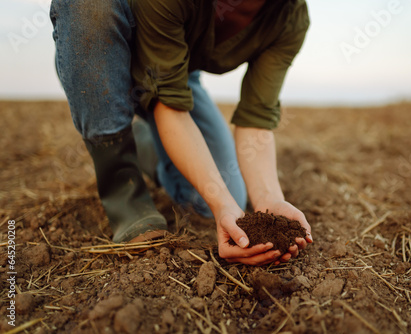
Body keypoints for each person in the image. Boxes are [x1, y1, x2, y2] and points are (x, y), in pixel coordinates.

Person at [50, 0, 313, 266]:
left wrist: (267, 199)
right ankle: (123, 191)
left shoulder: (290, 16)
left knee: (221, 193)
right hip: (99, 55)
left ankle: (145, 145)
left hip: (174, 75)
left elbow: (255, 119)